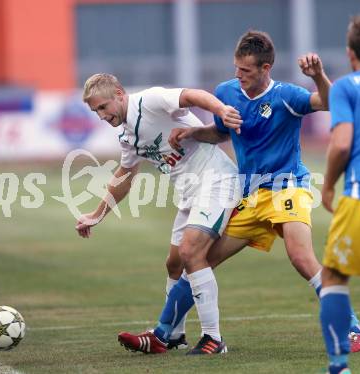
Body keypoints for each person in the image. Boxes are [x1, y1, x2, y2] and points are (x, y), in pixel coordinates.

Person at [120, 30, 360, 354]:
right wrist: (194, 132)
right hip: (250, 194)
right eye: (236, 68)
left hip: (287, 187)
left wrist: (318, 76)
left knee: (300, 257)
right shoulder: (227, 91)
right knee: (199, 259)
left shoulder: (287, 95)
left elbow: (326, 102)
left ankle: (355, 331)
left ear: (266, 68)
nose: (238, 76)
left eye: (247, 71)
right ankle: (163, 332)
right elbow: (220, 133)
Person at [76, 73, 242, 354]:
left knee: (191, 252)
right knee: (174, 263)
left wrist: (220, 110)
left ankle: (213, 338)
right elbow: (125, 176)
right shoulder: (127, 134)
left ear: (118, 93)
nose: (101, 115)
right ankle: (174, 336)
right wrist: (97, 214)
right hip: (190, 193)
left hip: (216, 181)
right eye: (96, 112)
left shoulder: (150, 100)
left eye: (103, 107)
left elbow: (191, 94)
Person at [319, 15, 360, 374]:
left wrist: (326, 184)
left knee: (334, 277)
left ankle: (339, 367)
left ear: (350, 53)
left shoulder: (347, 86)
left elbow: (341, 145)